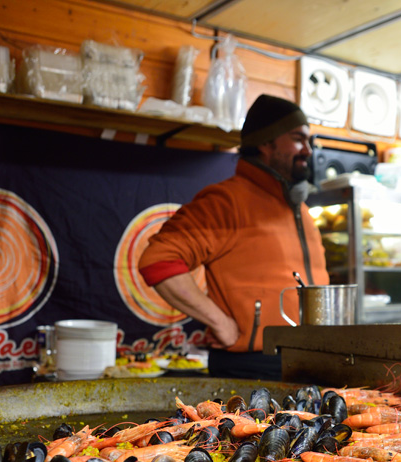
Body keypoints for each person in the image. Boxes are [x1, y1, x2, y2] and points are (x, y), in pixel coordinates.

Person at [138, 94, 329, 379]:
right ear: (267, 142)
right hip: (251, 367)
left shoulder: (300, 208)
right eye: (298, 139)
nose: (308, 151)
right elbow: (158, 260)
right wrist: (221, 323)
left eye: (309, 141)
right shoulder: (227, 201)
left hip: (311, 361)